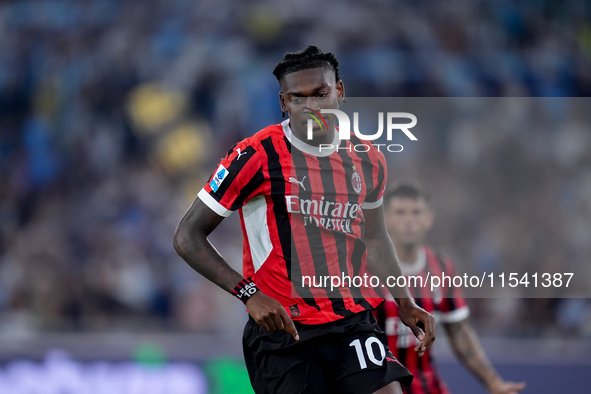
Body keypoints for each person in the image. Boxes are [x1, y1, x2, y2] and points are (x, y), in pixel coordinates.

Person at [173, 46, 435, 394]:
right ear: (284, 103)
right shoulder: (255, 155)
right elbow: (187, 236)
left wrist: (404, 300)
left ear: (339, 91)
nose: (312, 107)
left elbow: (373, 236)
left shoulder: (368, 158)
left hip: (351, 321)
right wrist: (248, 293)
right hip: (285, 333)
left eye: (321, 94)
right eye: (299, 98)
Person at [377, 181, 526, 394]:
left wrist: (492, 381)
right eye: (400, 212)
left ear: (429, 219)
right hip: (377, 387)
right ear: (386, 220)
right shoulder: (364, 268)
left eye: (416, 212)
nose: (408, 220)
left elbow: (459, 330)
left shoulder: (442, 267)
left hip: (428, 387)